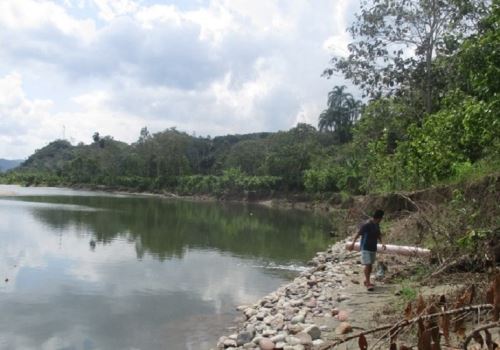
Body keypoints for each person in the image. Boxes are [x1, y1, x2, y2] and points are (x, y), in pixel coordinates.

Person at [349, 209, 386, 290]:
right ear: (378, 218)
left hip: (373, 247)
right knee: (368, 264)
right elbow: (358, 234)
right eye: (381, 218)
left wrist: (382, 243)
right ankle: (368, 283)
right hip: (365, 247)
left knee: (370, 265)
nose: (381, 220)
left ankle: (367, 281)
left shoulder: (377, 225)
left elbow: (379, 235)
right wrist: (353, 244)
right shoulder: (367, 224)